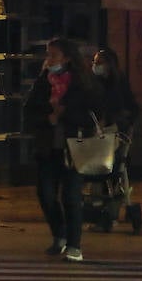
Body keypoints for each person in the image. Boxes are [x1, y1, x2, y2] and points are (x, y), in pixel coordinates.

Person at [23, 37, 103, 262]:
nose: (49, 60)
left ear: (67, 58)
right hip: (47, 146)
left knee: (71, 196)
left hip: (74, 146)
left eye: (53, 55)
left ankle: (74, 245)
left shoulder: (84, 82)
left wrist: (64, 114)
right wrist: (49, 117)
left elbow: (95, 113)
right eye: (48, 55)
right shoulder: (44, 81)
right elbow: (28, 111)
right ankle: (59, 234)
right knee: (46, 194)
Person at [92, 48, 138, 133]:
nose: (95, 65)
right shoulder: (93, 82)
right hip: (98, 129)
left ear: (109, 64)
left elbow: (128, 105)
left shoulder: (119, 81)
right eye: (94, 62)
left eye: (99, 63)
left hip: (117, 128)